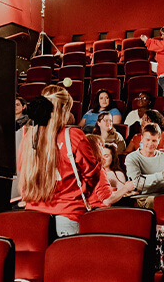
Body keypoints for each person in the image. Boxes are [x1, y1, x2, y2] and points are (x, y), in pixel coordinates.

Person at [18, 85, 109, 236]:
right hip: (68, 212)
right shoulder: (74, 135)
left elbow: (22, 170)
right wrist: (76, 192)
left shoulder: (29, 136)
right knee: (67, 259)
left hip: (34, 213)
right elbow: (93, 174)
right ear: (65, 109)